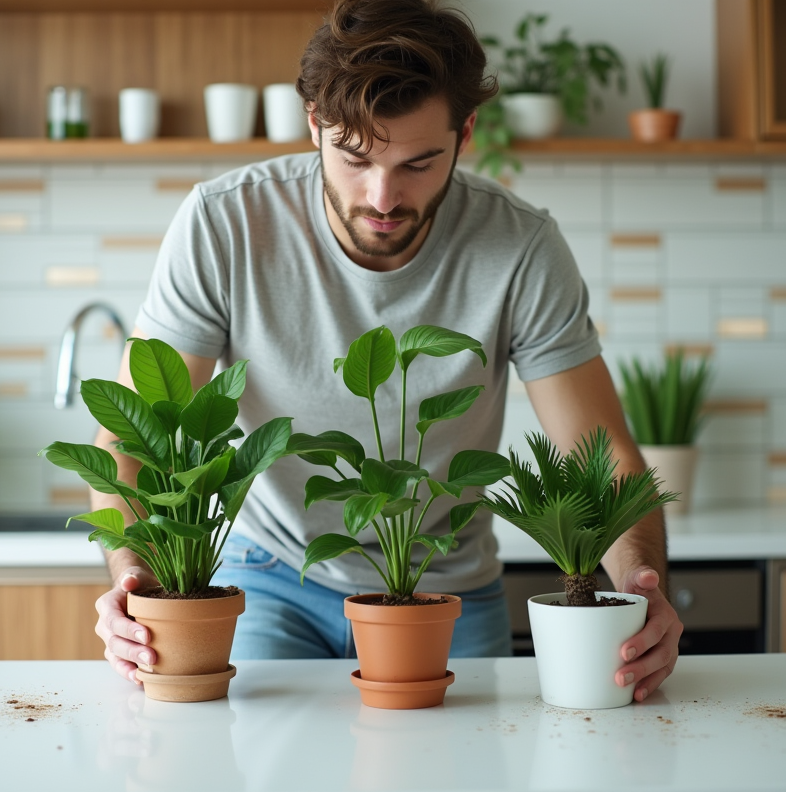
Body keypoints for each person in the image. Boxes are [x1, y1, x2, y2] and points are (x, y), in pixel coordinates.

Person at [92, 0, 682, 703]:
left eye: (419, 163)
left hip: (447, 593)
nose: (382, 197)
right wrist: (134, 579)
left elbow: (605, 458)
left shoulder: (520, 246)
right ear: (313, 122)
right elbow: (128, 441)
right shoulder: (225, 223)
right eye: (354, 157)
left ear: (466, 133)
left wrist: (643, 589)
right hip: (267, 580)